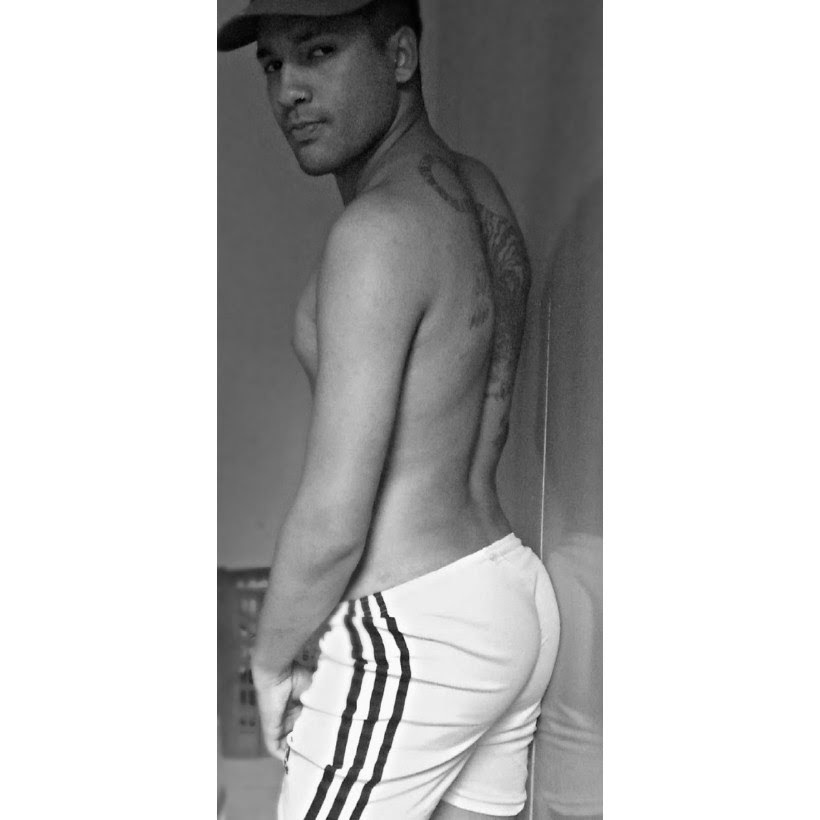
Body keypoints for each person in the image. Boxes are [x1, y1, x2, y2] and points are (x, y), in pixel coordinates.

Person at [217, 1, 560, 817]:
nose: (289, 91)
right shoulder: (475, 192)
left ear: (400, 55)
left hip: (415, 626)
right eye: (273, 64)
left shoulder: (375, 233)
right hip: (510, 592)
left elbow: (336, 514)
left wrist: (267, 660)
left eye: (319, 52)